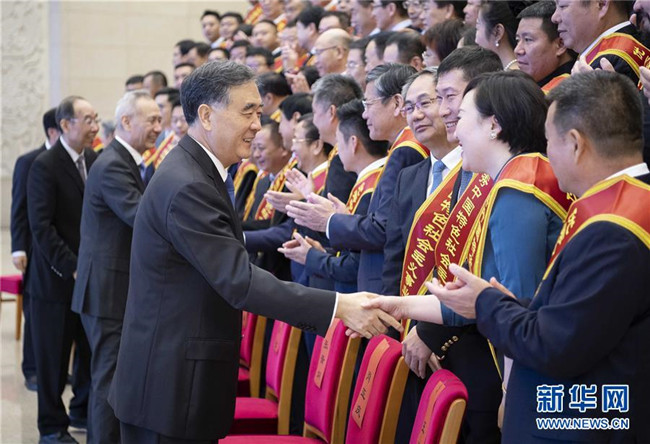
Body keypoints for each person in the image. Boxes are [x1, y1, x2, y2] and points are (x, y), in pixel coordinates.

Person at [107, 61, 401, 443]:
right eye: (247, 112)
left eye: (259, 113)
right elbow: (238, 280)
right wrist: (338, 306)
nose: (257, 126)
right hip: (170, 388)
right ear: (206, 116)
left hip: (177, 381)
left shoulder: (198, 172)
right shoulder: (188, 185)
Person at [368, 70, 650, 444]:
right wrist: (404, 305)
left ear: (575, 144)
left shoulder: (613, 230)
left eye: (550, 142)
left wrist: (487, 304)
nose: (546, 153)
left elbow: (553, 342)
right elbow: (552, 312)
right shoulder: (621, 204)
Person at [287, 64, 429, 293]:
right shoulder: (401, 148)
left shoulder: (406, 150)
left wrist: (330, 221)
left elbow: (384, 228)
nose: (365, 114)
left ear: (396, 104)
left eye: (369, 104)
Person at [71, 91, 161, 444]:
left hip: (111, 289)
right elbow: (141, 218)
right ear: (126, 121)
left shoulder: (124, 161)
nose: (159, 127)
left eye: (160, 119)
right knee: (108, 381)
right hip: (107, 291)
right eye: (152, 120)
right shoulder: (113, 165)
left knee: (111, 378)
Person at [27, 96, 99, 444]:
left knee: (88, 350)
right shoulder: (45, 165)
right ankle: (52, 427)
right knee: (53, 360)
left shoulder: (95, 160)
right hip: (55, 281)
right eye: (88, 120)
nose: (95, 127)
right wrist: (72, 267)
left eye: (96, 119)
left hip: (90, 279)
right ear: (66, 124)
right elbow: (42, 228)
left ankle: (81, 411)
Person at [280, 99, 388, 293]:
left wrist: (311, 257)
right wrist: (322, 252)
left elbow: (357, 266)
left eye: (338, 142)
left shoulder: (372, 189)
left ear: (353, 143)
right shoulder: (372, 181)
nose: (336, 151)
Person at [11, 108, 60, 393]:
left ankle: (54, 369)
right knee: (34, 311)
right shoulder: (28, 161)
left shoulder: (77, 161)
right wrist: (18, 248)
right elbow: (18, 208)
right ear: (54, 131)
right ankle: (32, 370)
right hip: (34, 249)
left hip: (61, 249)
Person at [515, 1, 575, 91]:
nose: (517, 50)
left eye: (528, 40)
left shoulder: (568, 91)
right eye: (517, 40)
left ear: (560, 45)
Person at [475, 0, 520, 70]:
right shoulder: (506, 70)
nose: (476, 40)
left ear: (498, 32)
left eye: (478, 28)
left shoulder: (512, 75)